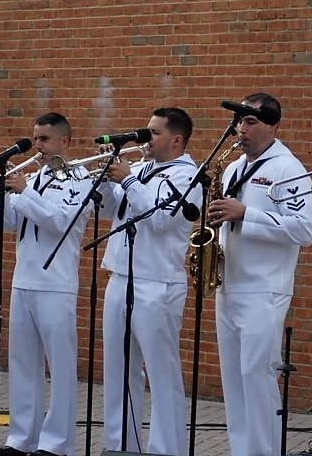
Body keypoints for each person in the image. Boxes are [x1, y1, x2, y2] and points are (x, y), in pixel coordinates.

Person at [208, 92, 312, 456]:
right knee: (235, 384)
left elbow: (304, 231)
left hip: (263, 290)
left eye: (250, 121)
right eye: (239, 122)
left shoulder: (288, 169)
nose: (241, 129)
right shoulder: (233, 167)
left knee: (257, 379)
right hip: (230, 286)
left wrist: (246, 215)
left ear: (273, 126)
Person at [98, 107, 202, 455]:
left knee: (161, 374)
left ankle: (166, 449)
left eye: (154, 132)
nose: (145, 138)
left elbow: (159, 220)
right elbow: (113, 211)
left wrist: (126, 180)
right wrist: (106, 183)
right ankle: (121, 445)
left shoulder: (189, 176)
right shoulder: (140, 169)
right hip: (121, 276)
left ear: (176, 139)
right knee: (118, 370)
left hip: (157, 283)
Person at [0, 112, 93, 456]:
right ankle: (21, 438)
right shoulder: (32, 178)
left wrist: (23, 192)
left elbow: (59, 220)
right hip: (24, 281)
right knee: (23, 364)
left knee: (61, 366)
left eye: (45, 139)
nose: (38, 145)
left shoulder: (79, 177)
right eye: (35, 138)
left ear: (64, 141)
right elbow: (7, 223)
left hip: (57, 282)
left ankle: (57, 443)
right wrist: (0, 193)